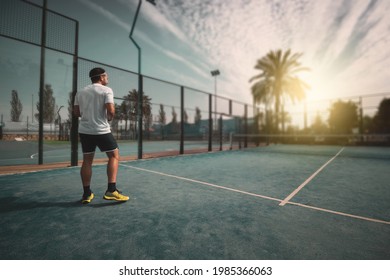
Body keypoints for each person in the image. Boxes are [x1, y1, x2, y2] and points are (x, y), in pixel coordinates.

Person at [73, 67, 129, 204]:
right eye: (106, 76)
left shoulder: (80, 92)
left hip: (85, 131)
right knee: (114, 156)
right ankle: (111, 190)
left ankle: (86, 194)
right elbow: (111, 110)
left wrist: (88, 115)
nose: (107, 78)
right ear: (101, 77)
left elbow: (76, 113)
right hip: (101, 130)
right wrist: (109, 118)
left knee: (87, 161)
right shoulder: (106, 90)